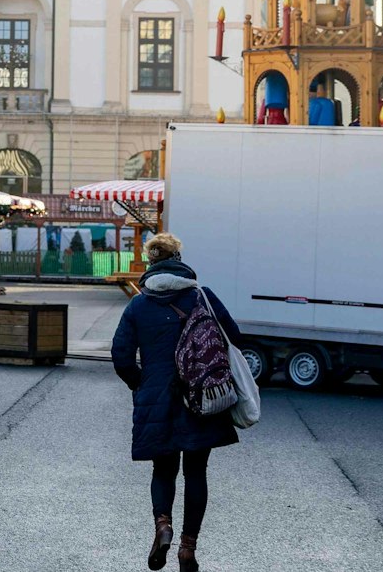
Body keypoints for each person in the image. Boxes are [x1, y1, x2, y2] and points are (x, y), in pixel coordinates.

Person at [112, 234, 244, 572]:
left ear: (151, 263)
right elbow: (235, 337)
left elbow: (121, 355)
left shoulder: (139, 305)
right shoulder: (202, 297)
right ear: (180, 257)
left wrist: (140, 383)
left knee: (163, 469)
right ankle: (188, 548)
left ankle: (163, 525)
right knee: (196, 471)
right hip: (201, 397)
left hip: (157, 398)